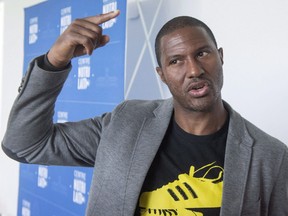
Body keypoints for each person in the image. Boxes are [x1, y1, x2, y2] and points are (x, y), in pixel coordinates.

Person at [2, 10, 288, 216]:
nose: (194, 70)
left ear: (220, 56)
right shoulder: (124, 124)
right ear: (161, 74)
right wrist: (54, 62)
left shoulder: (270, 156)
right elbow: (25, 145)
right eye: (176, 61)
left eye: (202, 53)